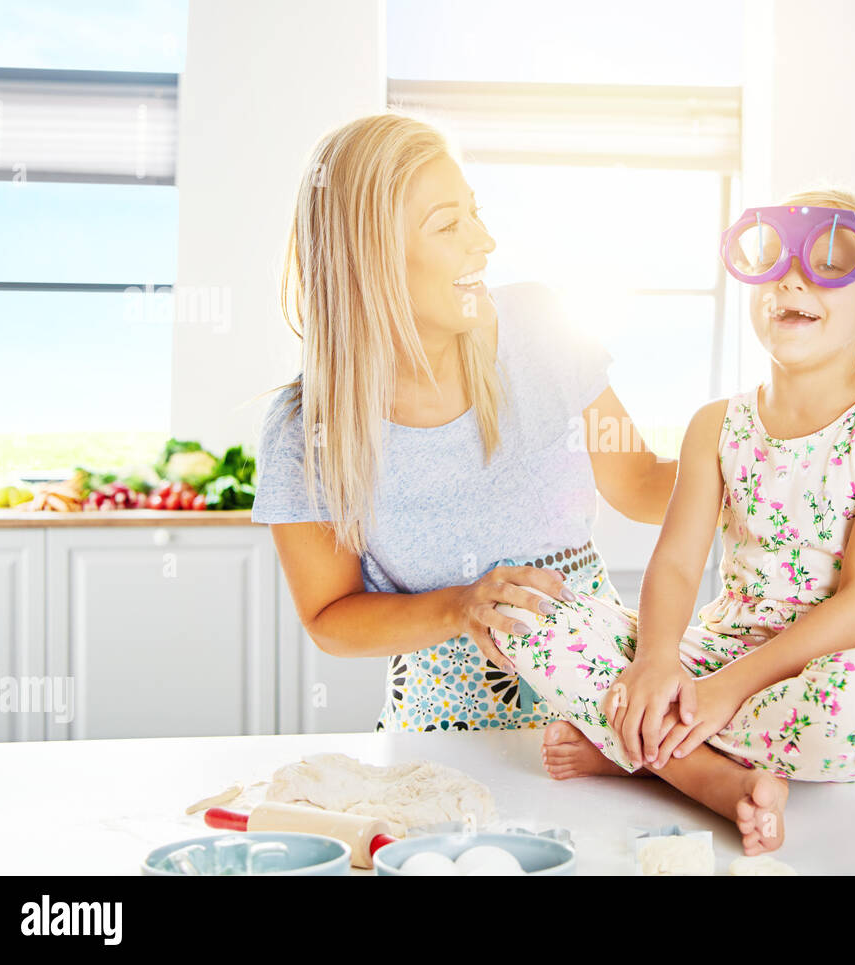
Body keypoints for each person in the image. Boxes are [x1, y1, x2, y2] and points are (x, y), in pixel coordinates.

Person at [490, 187, 855, 855]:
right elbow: (674, 562)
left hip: (828, 665)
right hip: (712, 654)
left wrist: (724, 693)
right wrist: (657, 659)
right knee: (518, 614)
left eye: (828, 262)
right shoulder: (716, 424)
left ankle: (630, 745)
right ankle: (705, 775)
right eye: (774, 257)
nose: (792, 276)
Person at [251, 112, 676, 733]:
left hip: (607, 714)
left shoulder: (539, 325)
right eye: (449, 225)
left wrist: (760, 459)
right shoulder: (304, 429)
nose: (484, 242)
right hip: (440, 734)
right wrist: (460, 607)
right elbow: (329, 616)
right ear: (372, 260)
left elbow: (638, 483)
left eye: (474, 213)